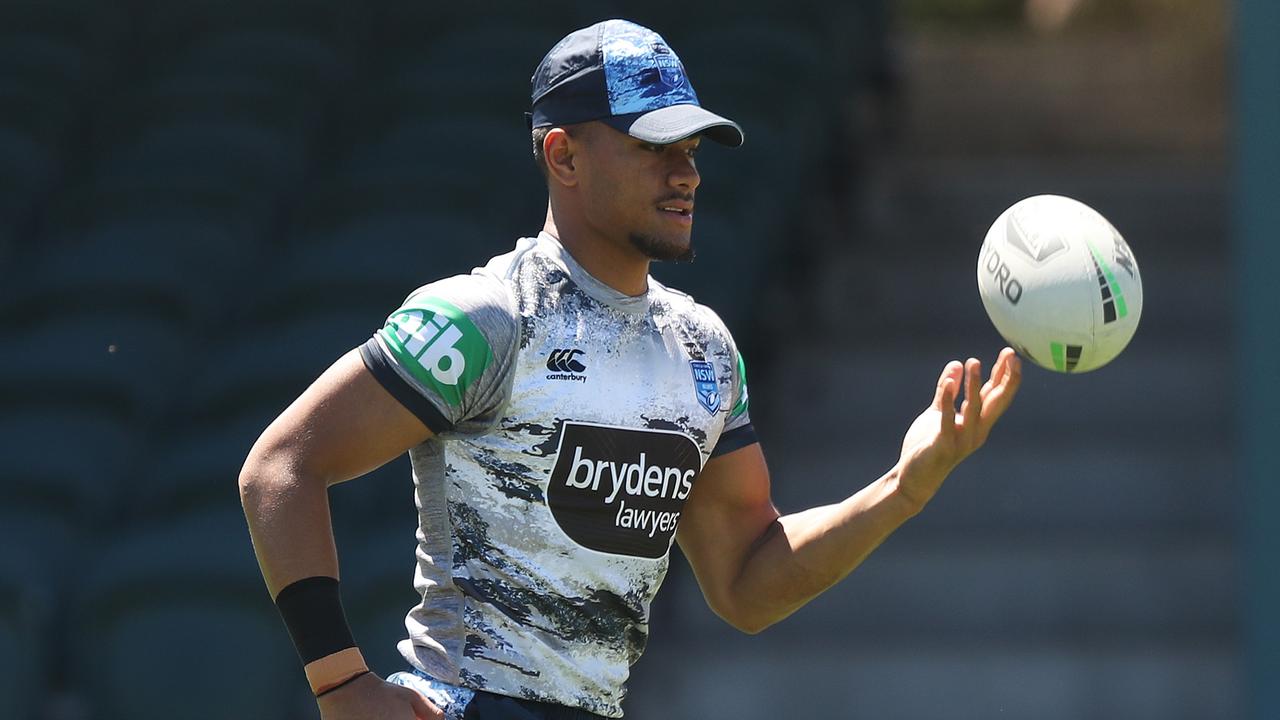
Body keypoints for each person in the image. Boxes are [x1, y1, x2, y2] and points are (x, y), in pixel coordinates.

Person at [239, 18, 1022, 720]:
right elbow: (281, 468)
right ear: (563, 154)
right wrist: (341, 686)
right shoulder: (484, 318)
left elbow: (746, 583)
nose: (687, 174)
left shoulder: (703, 347)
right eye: (654, 148)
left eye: (690, 150)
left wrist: (904, 487)